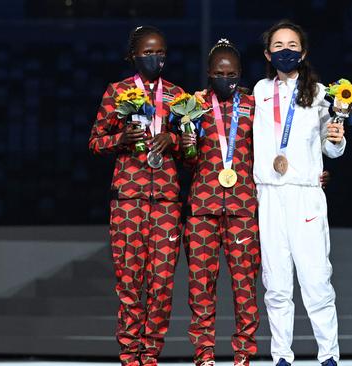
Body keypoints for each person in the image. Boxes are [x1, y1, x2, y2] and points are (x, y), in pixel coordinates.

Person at [88, 25, 185, 366]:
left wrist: (174, 141)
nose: (155, 58)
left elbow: (191, 150)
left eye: (160, 52)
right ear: (132, 56)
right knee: (130, 286)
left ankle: (151, 355)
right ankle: (130, 356)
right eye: (147, 52)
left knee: (161, 285)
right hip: (128, 199)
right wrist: (121, 140)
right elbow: (95, 142)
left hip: (167, 202)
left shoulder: (177, 96)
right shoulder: (116, 92)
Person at [252, 20, 346, 366]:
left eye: (292, 45)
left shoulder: (321, 94)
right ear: (267, 53)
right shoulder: (258, 92)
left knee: (316, 278)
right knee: (276, 283)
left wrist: (336, 139)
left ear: (303, 52)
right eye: (278, 46)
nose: (285, 51)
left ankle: (329, 354)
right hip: (269, 195)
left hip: (305, 194)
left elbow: (332, 149)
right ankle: (281, 356)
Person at [180, 39, 260, 366]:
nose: (225, 78)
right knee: (200, 287)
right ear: (209, 74)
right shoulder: (192, 106)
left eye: (231, 73)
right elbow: (186, 160)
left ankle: (243, 355)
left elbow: (271, 154)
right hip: (202, 208)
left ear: (240, 74)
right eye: (218, 73)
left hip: (243, 208)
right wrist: (187, 145)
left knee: (245, 289)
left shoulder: (254, 107)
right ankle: (204, 355)